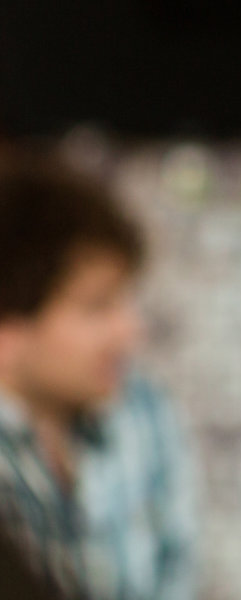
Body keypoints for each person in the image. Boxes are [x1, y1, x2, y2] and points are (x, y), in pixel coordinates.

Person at [0, 149, 197, 600]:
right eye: (96, 308)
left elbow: (179, 576)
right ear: (8, 330)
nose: (129, 331)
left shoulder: (144, 411)